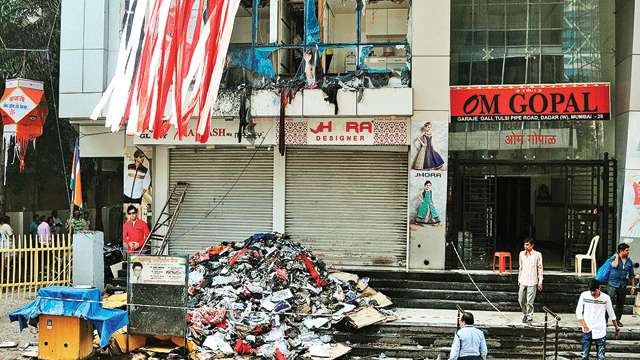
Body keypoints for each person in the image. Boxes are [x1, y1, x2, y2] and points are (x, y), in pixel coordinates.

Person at [576, 280, 620, 360]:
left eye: (594, 291)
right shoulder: (584, 295)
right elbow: (578, 312)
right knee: (584, 356)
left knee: (601, 357)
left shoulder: (606, 298)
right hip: (587, 329)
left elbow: (611, 314)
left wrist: (617, 328)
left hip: (600, 329)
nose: (593, 293)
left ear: (599, 288)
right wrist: (584, 325)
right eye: (591, 291)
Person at [606, 243, 636, 326]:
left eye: (628, 250)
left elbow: (631, 275)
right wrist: (617, 256)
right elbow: (614, 265)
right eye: (626, 250)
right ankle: (605, 320)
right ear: (621, 251)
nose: (628, 252)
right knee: (609, 303)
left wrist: (633, 286)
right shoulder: (613, 258)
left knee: (620, 304)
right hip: (612, 284)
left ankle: (617, 320)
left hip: (623, 285)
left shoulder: (629, 262)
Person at [518, 237, 543, 323]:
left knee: (529, 301)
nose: (525, 246)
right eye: (525, 244)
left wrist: (540, 281)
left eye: (527, 245)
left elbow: (540, 268)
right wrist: (519, 278)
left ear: (532, 245)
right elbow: (520, 267)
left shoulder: (537, 255)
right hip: (523, 280)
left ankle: (529, 316)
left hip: (532, 281)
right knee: (521, 299)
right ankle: (524, 313)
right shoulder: (521, 254)